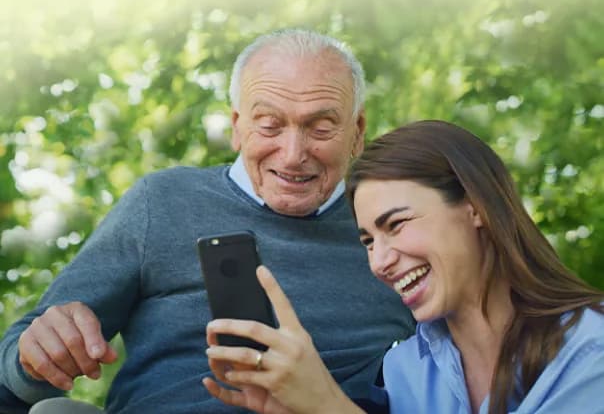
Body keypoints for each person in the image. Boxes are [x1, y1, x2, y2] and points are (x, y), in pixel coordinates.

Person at [0, 29, 415, 414]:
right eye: (269, 125)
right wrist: (36, 356)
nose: (292, 154)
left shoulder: (392, 230)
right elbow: (16, 367)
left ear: (357, 132)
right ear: (237, 127)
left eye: (321, 128)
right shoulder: (163, 202)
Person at [203, 120, 604, 414]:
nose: (379, 261)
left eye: (396, 225)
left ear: (476, 208)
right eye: (367, 241)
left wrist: (327, 405)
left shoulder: (591, 350)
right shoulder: (404, 370)